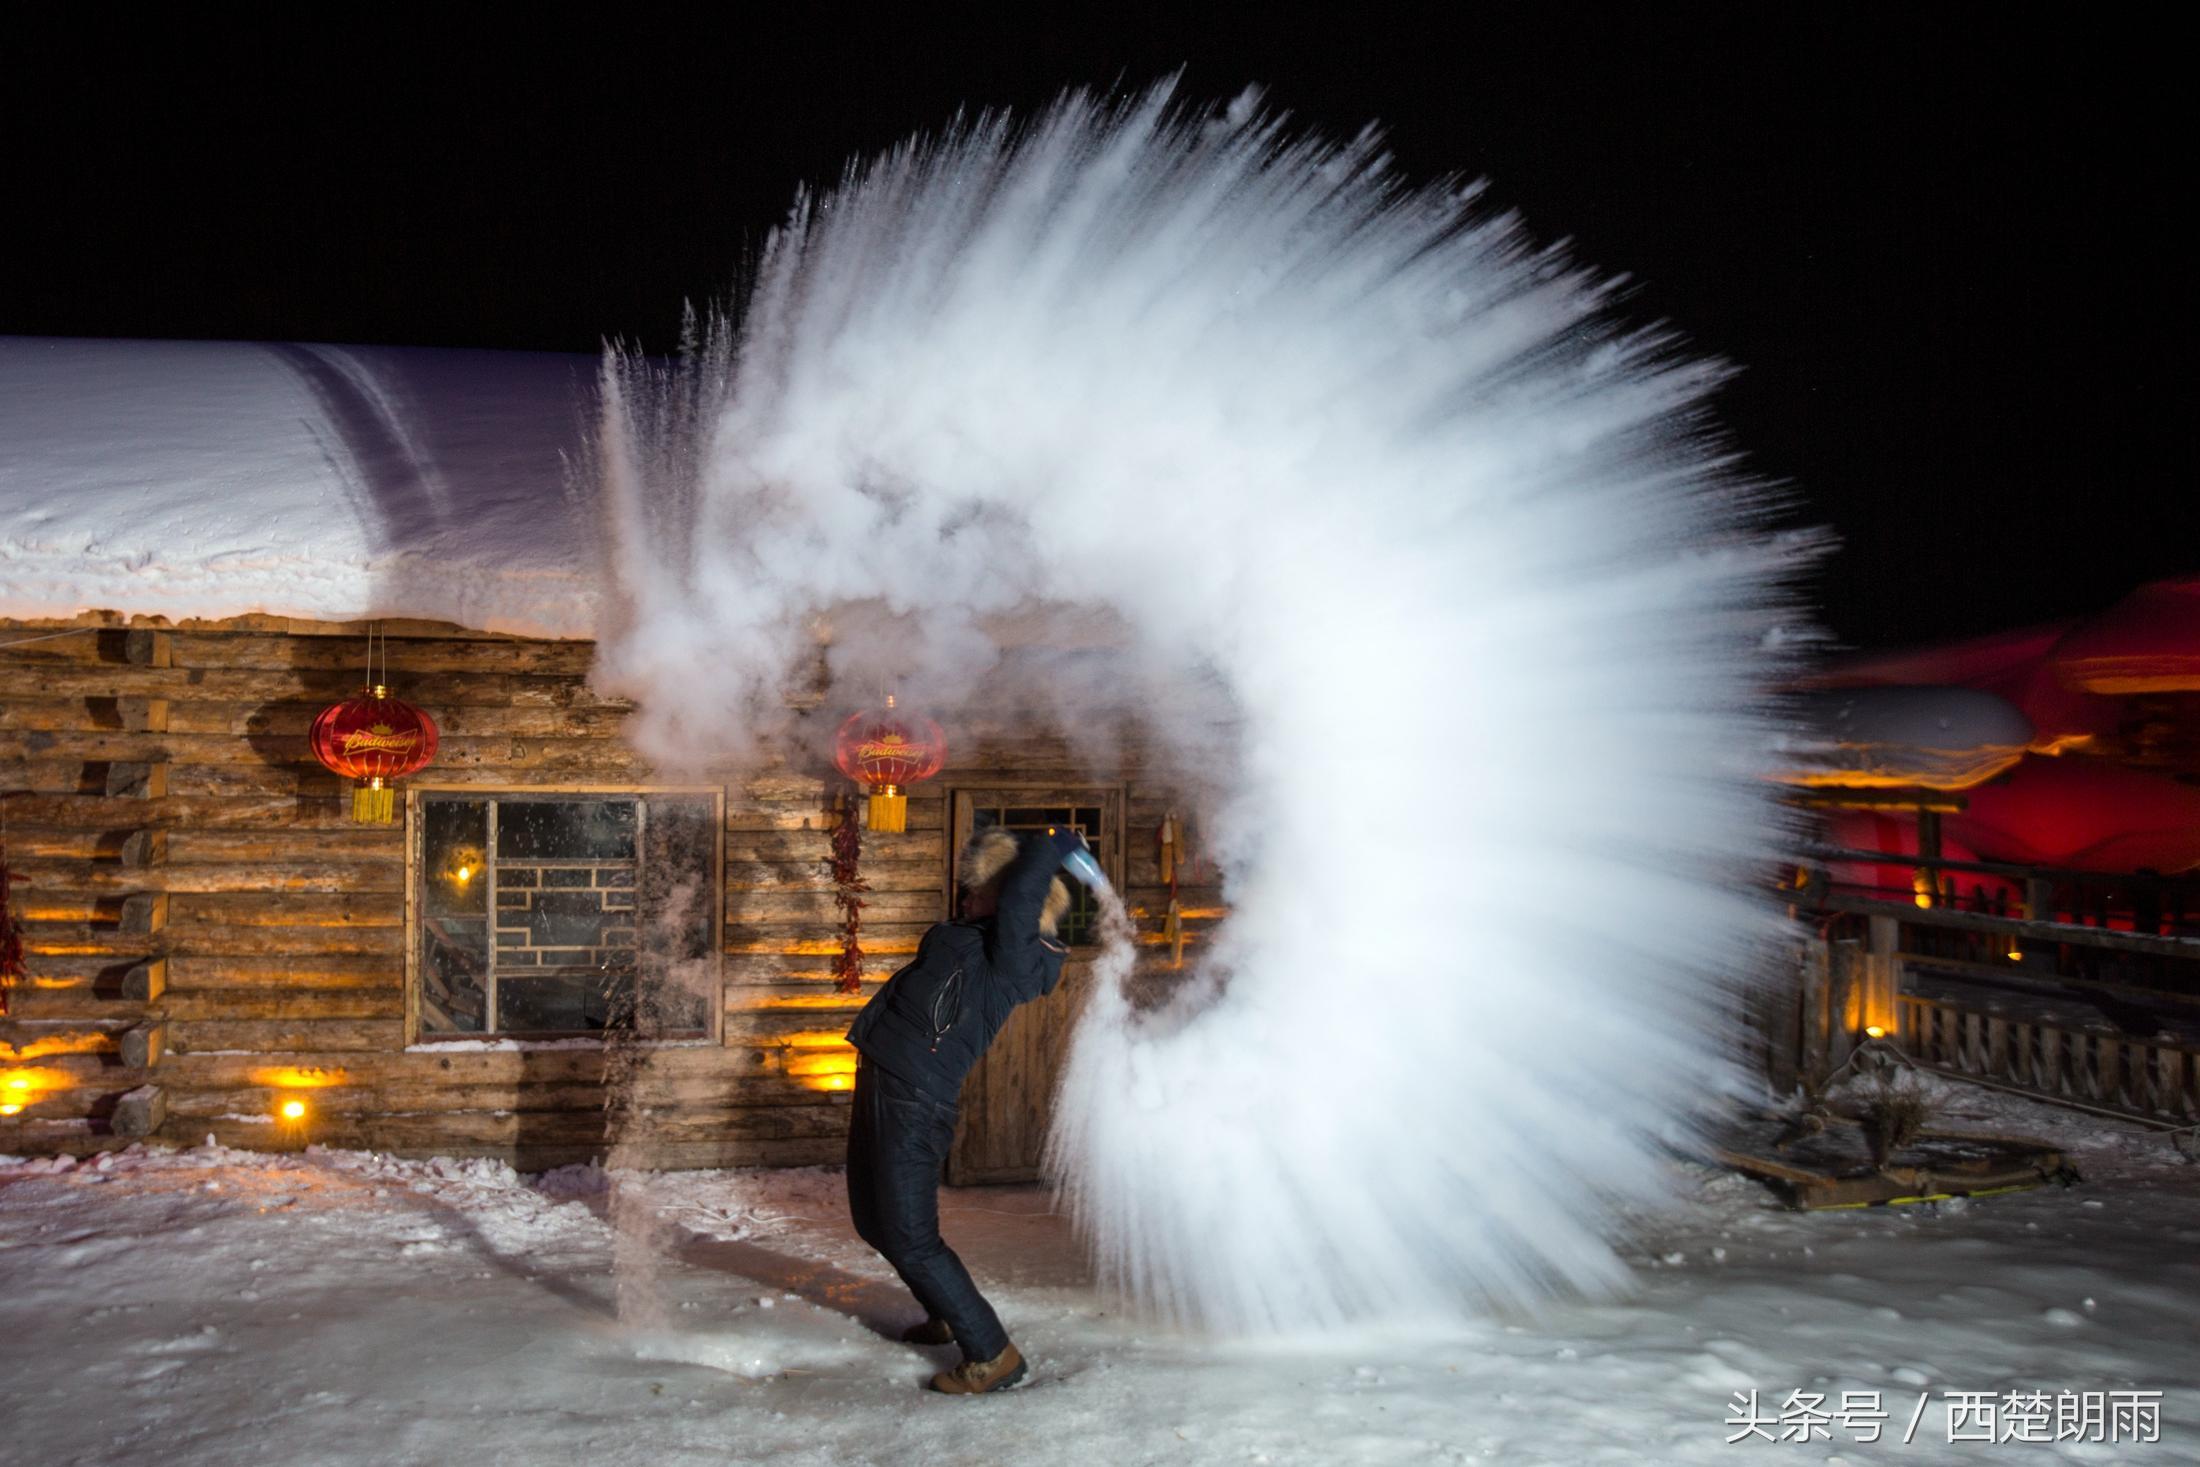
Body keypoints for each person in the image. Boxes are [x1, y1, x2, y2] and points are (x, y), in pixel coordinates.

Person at [844, 824, 1084, 1395]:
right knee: (873, 1221)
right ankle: (947, 1311)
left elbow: (1024, 898)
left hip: (915, 1097)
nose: (964, 896)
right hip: (884, 1080)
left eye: (977, 889)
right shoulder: (965, 937)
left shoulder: (1015, 960)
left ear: (1004, 899)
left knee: (910, 1235)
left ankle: (993, 1355)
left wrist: (1050, 845)